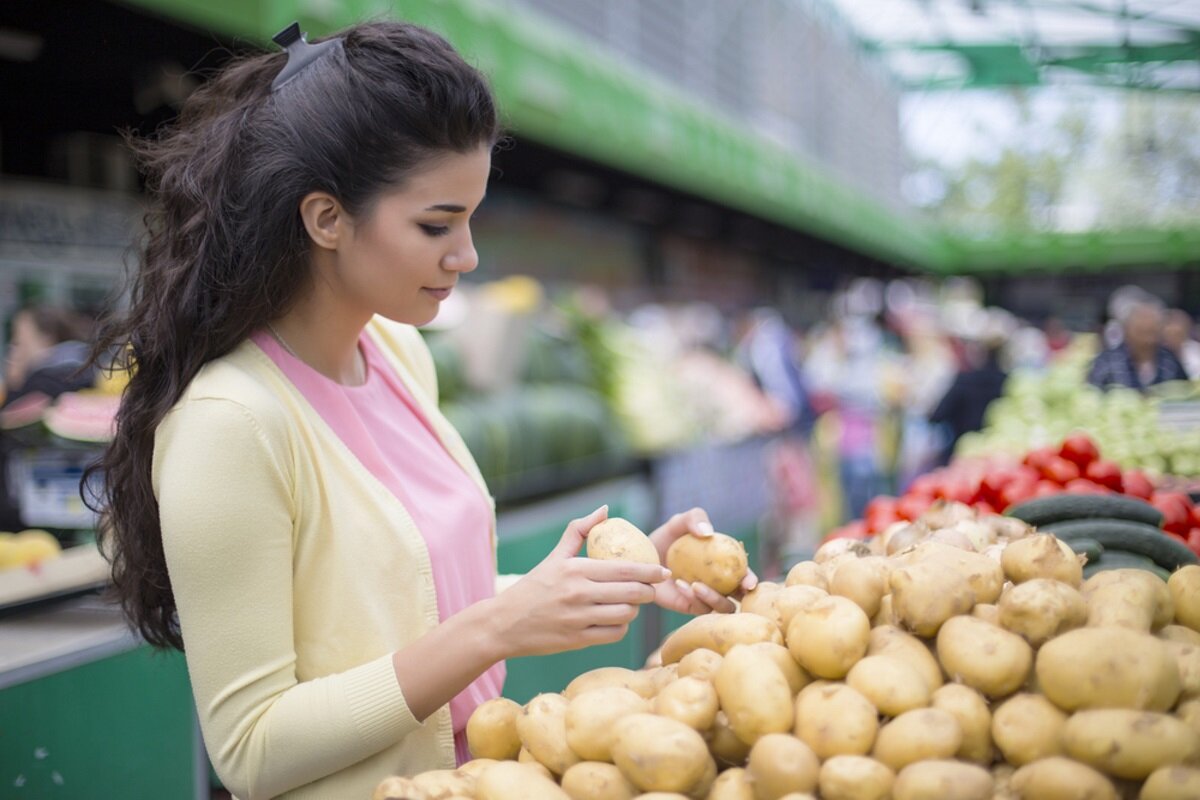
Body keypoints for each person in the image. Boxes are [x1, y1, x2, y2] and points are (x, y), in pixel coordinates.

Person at [84, 21, 753, 800]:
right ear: (326, 218)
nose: (466, 255)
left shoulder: (396, 358)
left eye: (470, 218)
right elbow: (251, 747)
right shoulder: (231, 422)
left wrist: (590, 585)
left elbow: (408, 604)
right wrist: (496, 630)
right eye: (437, 225)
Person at [0, 305, 96, 529]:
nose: (13, 351)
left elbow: (9, 420)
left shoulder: (47, 379)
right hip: (78, 511)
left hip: (29, 516)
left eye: (18, 341)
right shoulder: (85, 370)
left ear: (46, 339)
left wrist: (15, 387)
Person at [929, 335, 1008, 466]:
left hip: (961, 455)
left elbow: (938, 415)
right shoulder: (1008, 381)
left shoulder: (965, 380)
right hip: (998, 455)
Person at [1088, 301, 1187, 391]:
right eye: (1141, 331)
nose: (1146, 340)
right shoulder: (1107, 361)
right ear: (1126, 330)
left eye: (1151, 331)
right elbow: (1093, 393)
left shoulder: (1170, 361)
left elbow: (1186, 393)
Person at [1163, 309, 1200, 381]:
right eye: (1170, 334)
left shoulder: (1196, 351)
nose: (1174, 338)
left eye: (1178, 334)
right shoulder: (1158, 354)